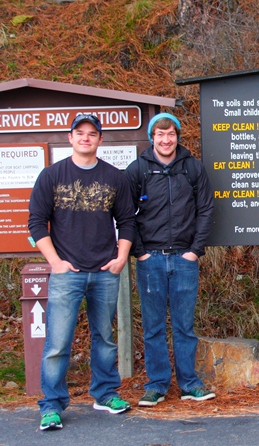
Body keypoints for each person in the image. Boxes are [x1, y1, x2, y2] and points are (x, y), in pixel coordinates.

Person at [28, 114, 136, 431]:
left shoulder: (115, 177)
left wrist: (120, 258)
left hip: (105, 271)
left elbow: (128, 221)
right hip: (67, 274)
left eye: (92, 133)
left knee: (104, 339)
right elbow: (36, 222)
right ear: (70, 137)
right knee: (58, 342)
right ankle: (51, 406)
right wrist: (56, 262)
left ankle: (104, 394)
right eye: (80, 133)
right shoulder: (51, 176)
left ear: (100, 139)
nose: (86, 138)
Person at [125, 113, 215, 407]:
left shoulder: (192, 168)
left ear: (178, 136)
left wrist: (194, 251)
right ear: (152, 137)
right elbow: (125, 215)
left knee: (184, 326)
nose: (166, 140)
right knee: (152, 327)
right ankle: (156, 385)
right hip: (150, 259)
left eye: (171, 134)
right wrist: (140, 251)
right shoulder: (138, 170)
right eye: (160, 135)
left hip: (184, 259)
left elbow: (205, 210)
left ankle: (189, 383)